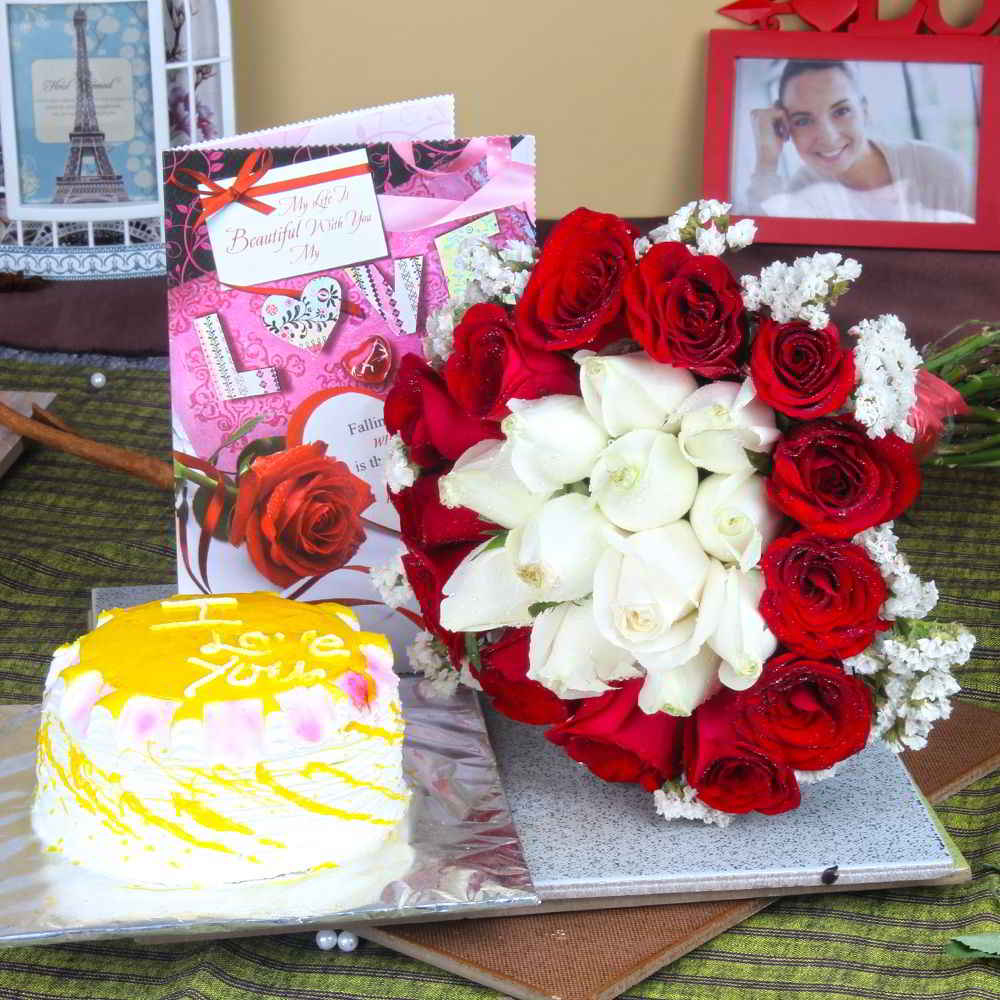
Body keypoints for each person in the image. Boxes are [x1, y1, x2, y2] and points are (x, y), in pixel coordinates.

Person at [744, 60, 974, 222]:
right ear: (785, 128)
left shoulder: (942, 169)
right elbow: (761, 254)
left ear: (865, 110)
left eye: (841, 111)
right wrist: (766, 161)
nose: (828, 136)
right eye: (803, 120)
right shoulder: (803, 189)